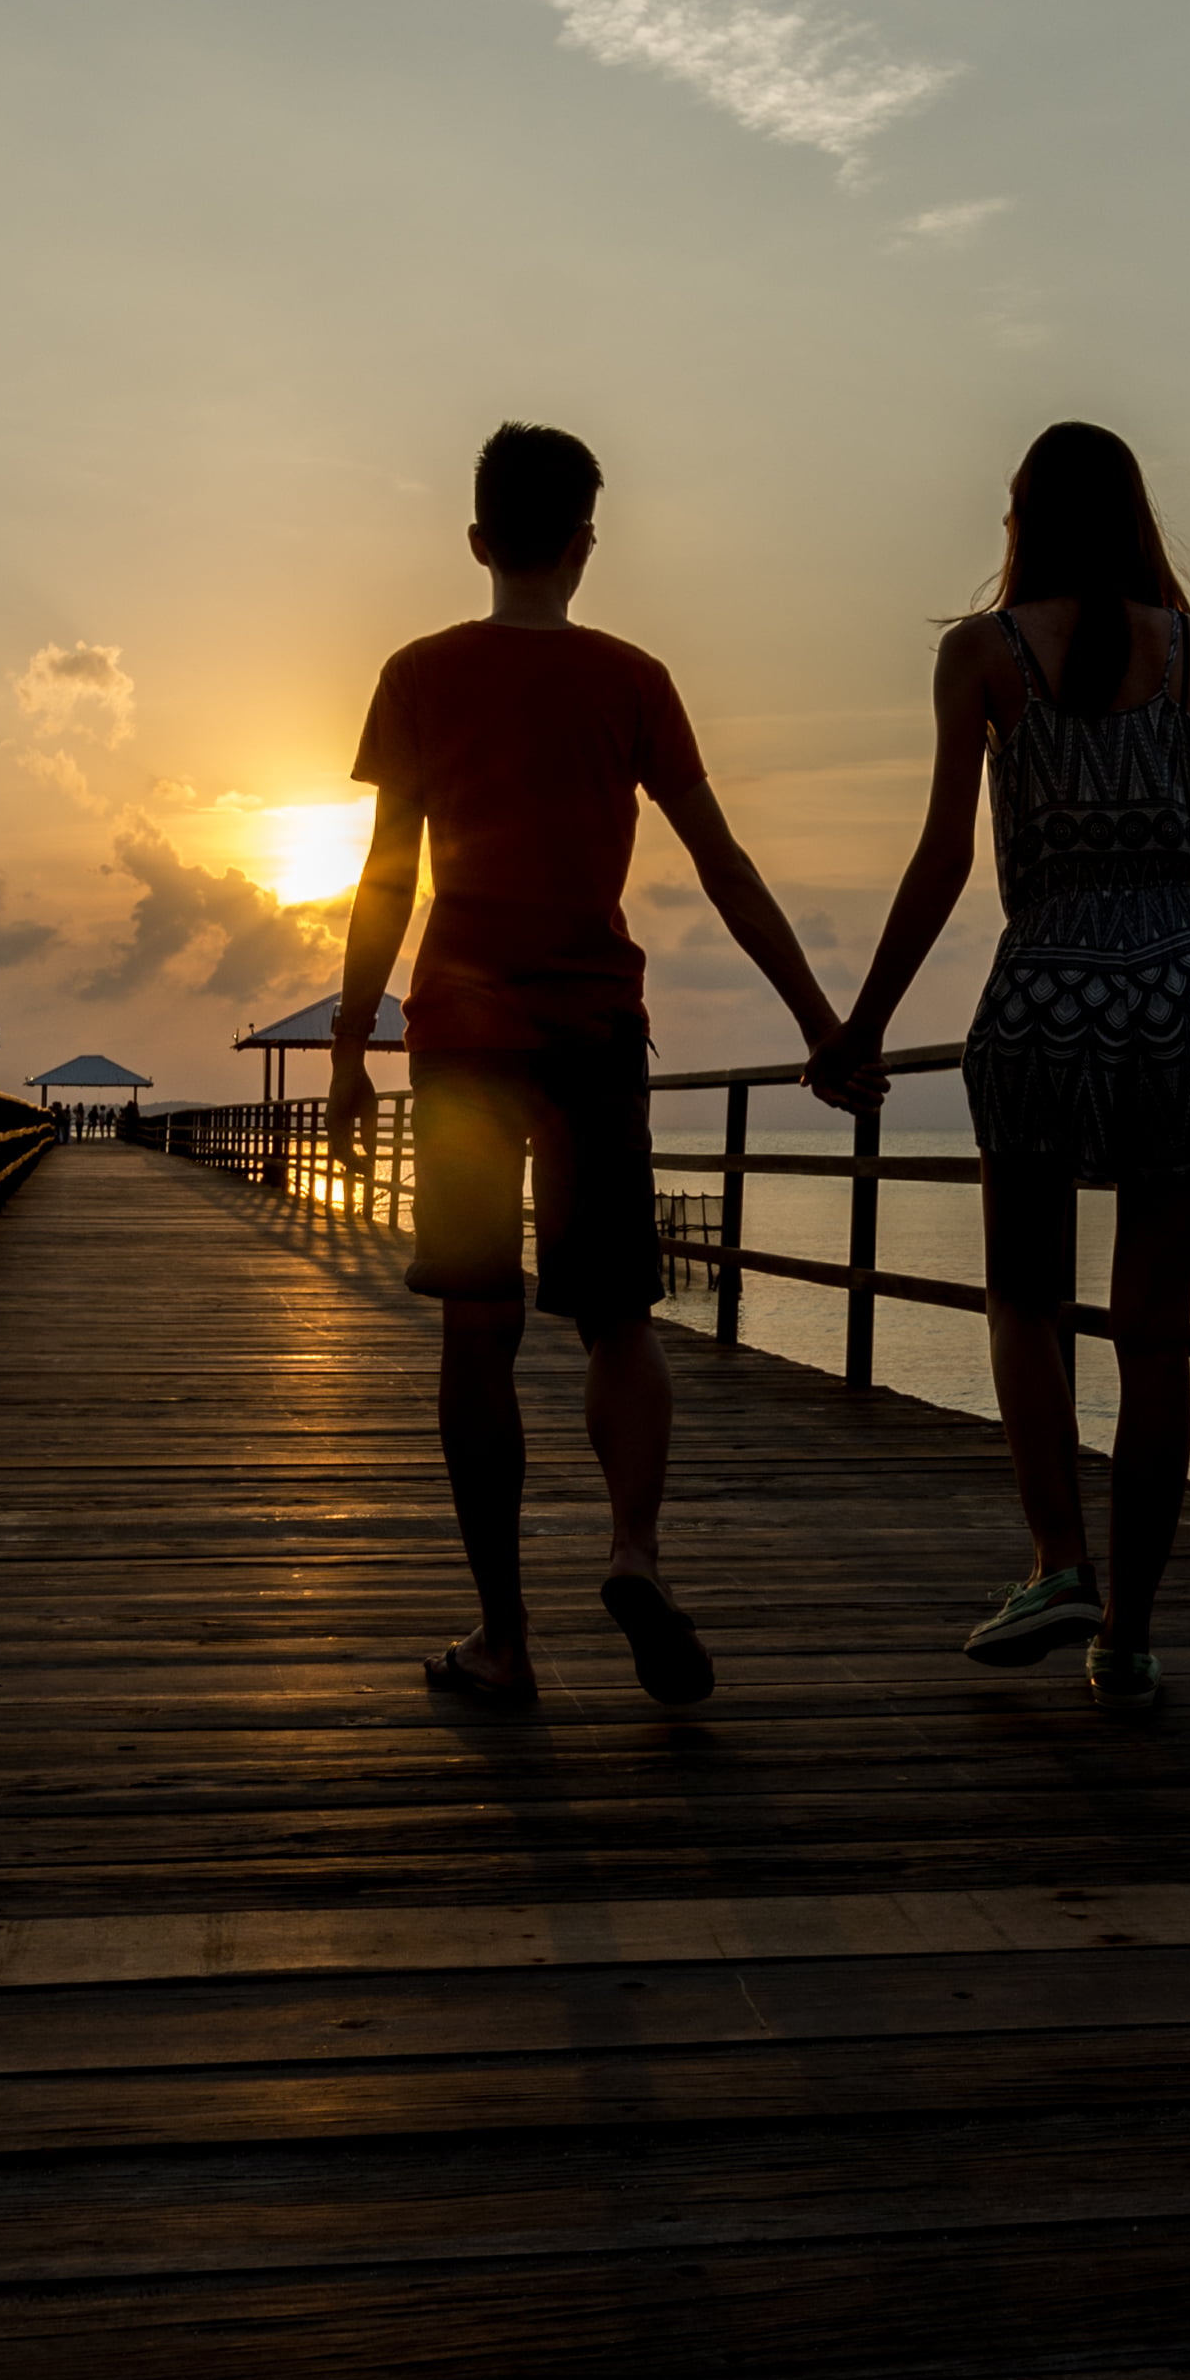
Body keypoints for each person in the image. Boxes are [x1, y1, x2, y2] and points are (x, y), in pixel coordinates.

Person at [329, 422, 858, 1711]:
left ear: (476, 542)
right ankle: (634, 1553)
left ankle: (504, 1639)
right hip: (593, 1036)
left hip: (460, 1042)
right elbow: (724, 864)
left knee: (478, 1327)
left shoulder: (416, 672)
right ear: (584, 547)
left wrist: (349, 1045)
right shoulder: (633, 679)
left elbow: (386, 876)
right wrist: (819, 1023)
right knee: (620, 1321)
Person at [817, 423, 1190, 1715]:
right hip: (1178, 994)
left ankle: (1059, 1563)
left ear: (1023, 518)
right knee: (1156, 1339)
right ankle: (1134, 1638)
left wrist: (863, 1024)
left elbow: (942, 857)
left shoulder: (983, 656)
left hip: (1044, 996)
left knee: (1023, 1299)